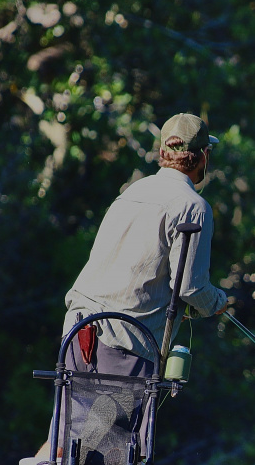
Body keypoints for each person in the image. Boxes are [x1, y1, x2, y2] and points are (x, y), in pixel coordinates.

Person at [61, 112, 229, 377]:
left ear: (163, 151)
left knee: (69, 419)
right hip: (123, 345)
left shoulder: (132, 192)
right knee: (114, 421)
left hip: (76, 332)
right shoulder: (194, 206)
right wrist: (217, 301)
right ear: (204, 155)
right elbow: (191, 288)